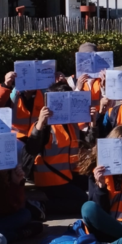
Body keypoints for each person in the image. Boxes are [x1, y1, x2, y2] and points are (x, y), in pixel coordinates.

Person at [24, 81, 90, 216]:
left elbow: (87, 144)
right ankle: (41, 206)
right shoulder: (44, 125)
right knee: (83, 201)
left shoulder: (72, 123)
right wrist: (40, 124)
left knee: (95, 187)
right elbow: (31, 149)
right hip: (50, 179)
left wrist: (93, 123)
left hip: (69, 175)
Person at [0, 158, 43, 242]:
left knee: (25, 214)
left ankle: (3, 233)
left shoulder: (2, 177)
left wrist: (16, 182)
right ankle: (16, 235)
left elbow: (11, 208)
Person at [0, 69, 45, 138]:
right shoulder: (12, 94)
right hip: (15, 138)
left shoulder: (42, 94)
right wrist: (6, 85)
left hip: (37, 137)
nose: (30, 82)